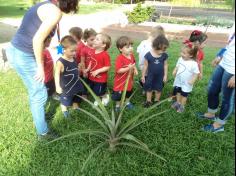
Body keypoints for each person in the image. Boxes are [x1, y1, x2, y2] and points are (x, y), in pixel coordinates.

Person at [5, 0, 79, 140]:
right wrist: (40, 67)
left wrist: (59, 51)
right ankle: (43, 133)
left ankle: (38, 119)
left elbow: (46, 39)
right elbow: (37, 39)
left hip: (16, 50)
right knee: (39, 93)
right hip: (23, 55)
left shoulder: (46, 4)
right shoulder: (55, 12)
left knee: (36, 92)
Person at [197, 23, 235, 133]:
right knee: (212, 89)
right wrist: (219, 56)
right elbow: (229, 45)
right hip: (224, 63)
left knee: (226, 98)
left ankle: (219, 125)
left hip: (232, 70)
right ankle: (210, 114)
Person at [55, 36, 84, 118]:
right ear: (64, 50)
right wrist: (57, 86)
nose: (74, 53)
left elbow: (74, 68)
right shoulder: (60, 62)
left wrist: (79, 67)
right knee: (66, 100)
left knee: (77, 95)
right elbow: (56, 74)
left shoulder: (73, 58)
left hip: (76, 83)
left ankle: (75, 105)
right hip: (67, 86)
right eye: (72, 51)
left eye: (75, 51)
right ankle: (64, 108)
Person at [171, 40, 199, 113]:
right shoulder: (180, 59)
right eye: (181, 52)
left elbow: (196, 73)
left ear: (191, 55)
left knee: (184, 95)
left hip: (187, 83)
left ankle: (182, 106)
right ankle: (178, 103)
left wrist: (193, 80)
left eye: (184, 53)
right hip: (178, 80)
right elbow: (177, 66)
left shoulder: (193, 64)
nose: (181, 54)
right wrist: (175, 70)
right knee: (178, 92)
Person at [112, 36, 138, 112]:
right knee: (118, 95)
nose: (130, 48)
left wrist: (135, 69)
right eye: (127, 47)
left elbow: (133, 64)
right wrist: (128, 68)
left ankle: (127, 102)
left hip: (129, 80)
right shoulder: (119, 58)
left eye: (131, 46)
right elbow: (119, 70)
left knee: (128, 92)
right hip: (120, 82)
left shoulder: (131, 56)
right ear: (120, 49)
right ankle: (118, 105)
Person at [141, 35, 169, 108]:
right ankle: (148, 101)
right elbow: (145, 66)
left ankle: (157, 100)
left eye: (164, 50)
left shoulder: (164, 55)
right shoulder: (148, 55)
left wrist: (165, 75)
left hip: (160, 76)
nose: (162, 52)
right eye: (161, 50)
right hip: (150, 75)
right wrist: (143, 75)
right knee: (149, 89)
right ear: (154, 47)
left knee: (158, 89)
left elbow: (165, 65)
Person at [88, 33, 111, 106]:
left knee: (100, 91)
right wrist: (87, 69)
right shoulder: (92, 51)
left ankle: (105, 96)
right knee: (94, 89)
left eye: (97, 39)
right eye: (95, 38)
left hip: (101, 79)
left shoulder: (105, 55)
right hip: (92, 76)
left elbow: (107, 66)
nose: (94, 40)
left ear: (103, 45)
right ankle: (97, 99)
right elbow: (91, 61)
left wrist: (98, 71)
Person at [80, 28, 97, 98]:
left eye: (95, 39)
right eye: (92, 40)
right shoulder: (84, 49)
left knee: (94, 81)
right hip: (87, 70)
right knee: (86, 82)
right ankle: (84, 93)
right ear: (86, 39)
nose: (94, 41)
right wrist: (84, 71)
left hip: (95, 69)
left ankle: (95, 90)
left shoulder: (97, 48)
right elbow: (82, 61)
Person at [43, 32, 56, 97]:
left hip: (50, 74)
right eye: (48, 41)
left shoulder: (46, 50)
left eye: (50, 41)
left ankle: (53, 93)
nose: (50, 43)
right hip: (46, 77)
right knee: (48, 87)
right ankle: (49, 95)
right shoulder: (42, 53)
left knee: (52, 84)